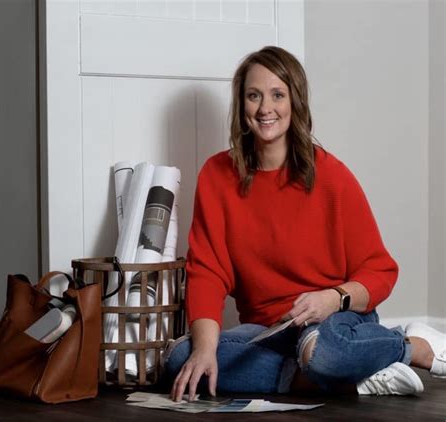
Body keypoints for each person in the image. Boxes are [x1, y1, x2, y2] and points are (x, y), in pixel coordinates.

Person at [164, 46, 446, 401]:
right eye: (254, 96)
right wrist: (205, 349)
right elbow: (207, 271)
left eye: (277, 95)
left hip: (333, 320)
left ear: (295, 102)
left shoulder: (331, 176)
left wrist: (332, 298)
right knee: (181, 358)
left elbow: (380, 270)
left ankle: (410, 346)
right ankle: (341, 376)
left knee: (321, 352)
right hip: (270, 329)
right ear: (241, 104)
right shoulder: (217, 175)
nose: (265, 108)